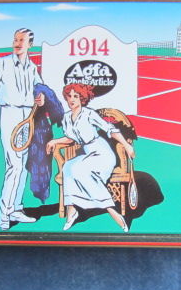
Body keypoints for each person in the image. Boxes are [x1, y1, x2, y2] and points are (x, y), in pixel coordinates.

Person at [46, 83, 135, 232]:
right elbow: (70, 139)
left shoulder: (89, 114)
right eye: (69, 96)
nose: (72, 99)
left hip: (102, 154)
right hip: (87, 154)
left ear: (82, 98)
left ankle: (111, 210)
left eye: (76, 96)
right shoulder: (66, 117)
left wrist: (127, 145)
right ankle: (71, 211)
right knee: (68, 167)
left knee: (79, 169)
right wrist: (55, 141)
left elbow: (110, 129)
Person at [0, 28, 45, 230]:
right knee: (14, 165)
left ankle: (16, 208)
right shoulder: (2, 63)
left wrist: (40, 98)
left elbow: (40, 90)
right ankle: (4, 213)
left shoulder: (32, 67)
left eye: (21, 40)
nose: (17, 43)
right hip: (9, 114)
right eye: (15, 39)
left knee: (24, 165)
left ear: (30, 44)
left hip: (28, 116)